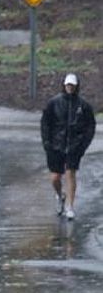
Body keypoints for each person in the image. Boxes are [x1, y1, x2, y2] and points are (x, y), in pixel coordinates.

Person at [41, 72, 96, 221]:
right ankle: (60, 196)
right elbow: (46, 123)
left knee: (70, 173)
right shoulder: (54, 103)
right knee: (55, 177)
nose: (70, 87)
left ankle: (70, 206)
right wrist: (47, 142)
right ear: (64, 85)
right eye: (67, 85)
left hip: (74, 147)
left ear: (76, 86)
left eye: (72, 85)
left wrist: (83, 145)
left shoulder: (83, 106)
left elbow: (90, 126)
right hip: (55, 146)